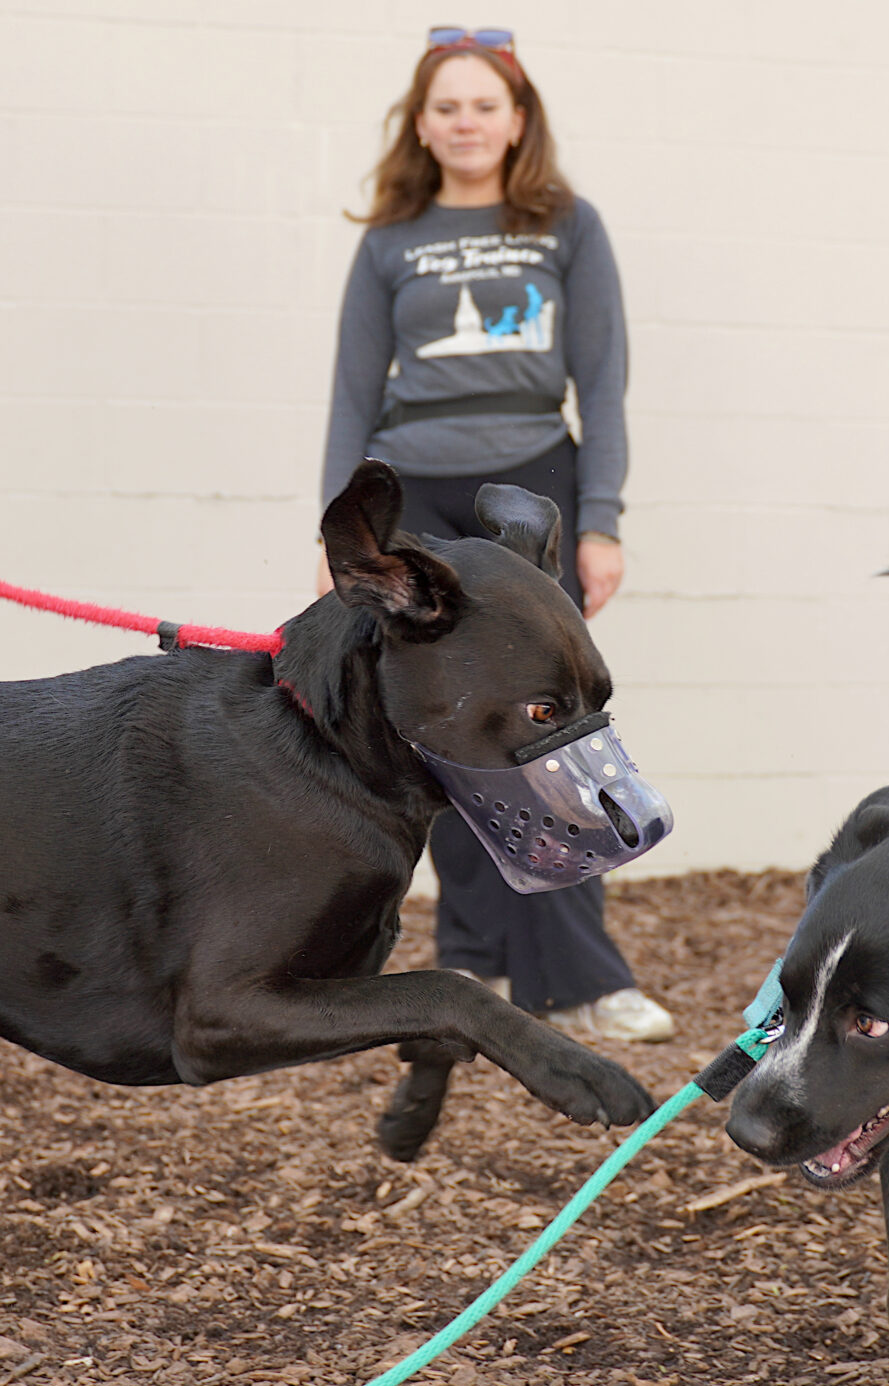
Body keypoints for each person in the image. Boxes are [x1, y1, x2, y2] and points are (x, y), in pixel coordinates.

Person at [320, 26, 673, 1043]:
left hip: (529, 485)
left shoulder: (567, 224)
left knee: (543, 724)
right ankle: (473, 959)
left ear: (516, 120)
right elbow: (352, 395)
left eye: (482, 105)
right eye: (446, 107)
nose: (464, 122)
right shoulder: (390, 238)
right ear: (420, 126)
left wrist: (598, 519)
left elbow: (601, 388)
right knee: (448, 727)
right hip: (411, 490)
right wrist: (344, 531)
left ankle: (584, 977)